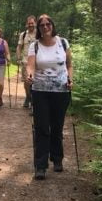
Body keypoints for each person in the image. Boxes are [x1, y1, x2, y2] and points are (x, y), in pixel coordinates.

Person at [26, 14, 73, 180]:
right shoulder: (35, 46)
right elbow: (30, 65)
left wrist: (70, 79)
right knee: (42, 127)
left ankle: (57, 158)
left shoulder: (63, 42)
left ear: (52, 25)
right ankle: (41, 165)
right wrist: (30, 75)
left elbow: (69, 65)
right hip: (40, 91)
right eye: (42, 25)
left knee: (57, 127)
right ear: (38, 29)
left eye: (48, 24)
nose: (45, 27)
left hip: (61, 91)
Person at [16, 15, 37, 108]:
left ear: (35, 23)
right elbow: (19, 47)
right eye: (29, 23)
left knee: (35, 82)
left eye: (32, 23)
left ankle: (34, 100)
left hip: (37, 62)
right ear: (26, 24)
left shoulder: (39, 33)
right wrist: (18, 57)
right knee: (26, 82)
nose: (31, 25)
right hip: (25, 61)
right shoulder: (23, 34)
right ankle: (28, 97)